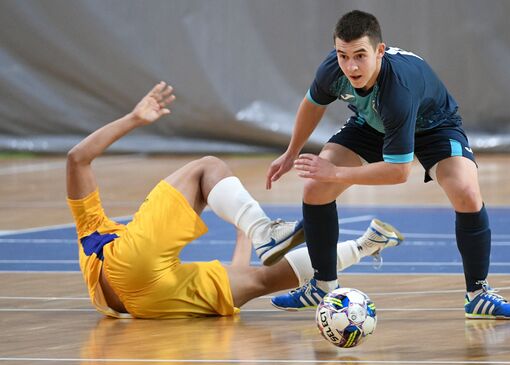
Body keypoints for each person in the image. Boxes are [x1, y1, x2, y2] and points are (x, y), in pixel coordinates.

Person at [66, 81, 402, 319]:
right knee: (206, 169)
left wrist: (243, 234)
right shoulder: (93, 225)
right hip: (130, 272)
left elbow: (239, 272)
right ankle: (262, 231)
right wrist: (135, 118)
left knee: (260, 279)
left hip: (145, 305)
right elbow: (77, 158)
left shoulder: (92, 235)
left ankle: (364, 245)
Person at [266, 10, 510, 320]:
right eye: (343, 55)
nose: (351, 66)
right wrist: (292, 152)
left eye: (360, 55)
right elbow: (312, 104)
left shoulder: (397, 89)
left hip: (434, 126)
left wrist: (335, 172)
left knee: (466, 191)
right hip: (373, 124)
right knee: (315, 187)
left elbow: (399, 172)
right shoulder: (333, 69)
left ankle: (479, 294)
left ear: (379, 51)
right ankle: (322, 286)